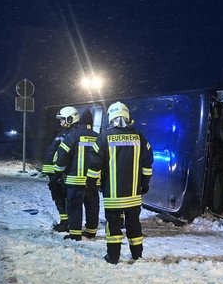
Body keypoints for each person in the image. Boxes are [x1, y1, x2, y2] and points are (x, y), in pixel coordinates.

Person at [86, 101, 153, 264]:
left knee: (113, 226)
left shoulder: (104, 137)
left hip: (113, 195)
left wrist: (91, 183)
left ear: (111, 117)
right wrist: (145, 183)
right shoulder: (139, 137)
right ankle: (137, 255)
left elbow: (94, 164)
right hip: (134, 194)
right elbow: (147, 163)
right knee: (134, 225)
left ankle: (113, 256)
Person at [54, 108, 100, 241]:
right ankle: (91, 232)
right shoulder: (99, 137)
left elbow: (62, 156)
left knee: (74, 207)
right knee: (92, 206)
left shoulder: (72, 136)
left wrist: (58, 172)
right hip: (93, 181)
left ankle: (75, 234)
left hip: (74, 181)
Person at [42, 109, 71, 232]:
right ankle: (64, 222)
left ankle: (66, 223)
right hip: (54, 172)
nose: (60, 121)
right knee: (58, 198)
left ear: (70, 119)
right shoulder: (62, 132)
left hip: (60, 173)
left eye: (62, 119)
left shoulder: (71, 134)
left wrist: (60, 172)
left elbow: (65, 155)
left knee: (63, 198)